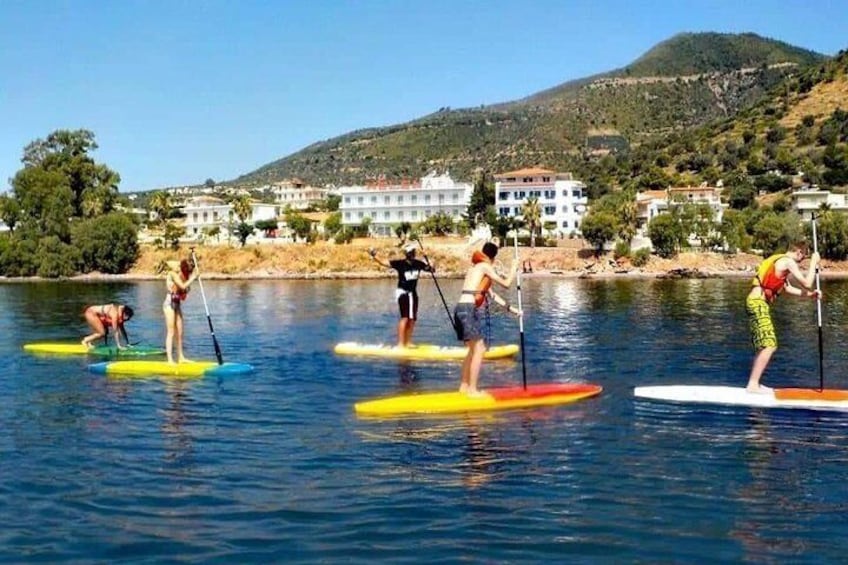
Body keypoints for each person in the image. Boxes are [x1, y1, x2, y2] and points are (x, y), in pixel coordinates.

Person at [746, 241, 821, 393]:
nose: (803, 260)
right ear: (799, 252)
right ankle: (752, 385)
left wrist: (811, 295)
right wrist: (814, 263)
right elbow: (807, 283)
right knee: (770, 345)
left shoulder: (778, 261)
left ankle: (754, 383)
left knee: (765, 345)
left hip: (756, 303)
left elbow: (787, 288)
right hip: (757, 303)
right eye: (804, 256)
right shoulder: (788, 261)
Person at [453, 241, 521, 397]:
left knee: (471, 351)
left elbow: (493, 295)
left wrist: (513, 310)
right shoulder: (485, 266)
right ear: (493, 258)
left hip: (460, 309)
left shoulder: (475, 269)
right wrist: (514, 267)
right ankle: (472, 390)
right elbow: (506, 284)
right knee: (480, 349)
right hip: (468, 309)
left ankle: (464, 387)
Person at [369, 243, 434, 348]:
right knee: (405, 318)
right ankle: (400, 344)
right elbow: (383, 263)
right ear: (407, 254)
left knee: (412, 319)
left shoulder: (419, 263)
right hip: (403, 292)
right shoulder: (400, 264)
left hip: (413, 293)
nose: (412, 254)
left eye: (413, 252)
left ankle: (408, 342)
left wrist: (427, 258)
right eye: (410, 253)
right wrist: (374, 256)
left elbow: (431, 270)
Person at [162, 258, 199, 364]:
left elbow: (183, 293)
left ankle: (181, 357)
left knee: (180, 332)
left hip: (177, 304)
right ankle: (170, 359)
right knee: (171, 332)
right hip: (169, 304)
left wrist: (187, 288)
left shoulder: (182, 276)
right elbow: (182, 286)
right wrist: (193, 278)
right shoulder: (172, 274)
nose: (177, 268)